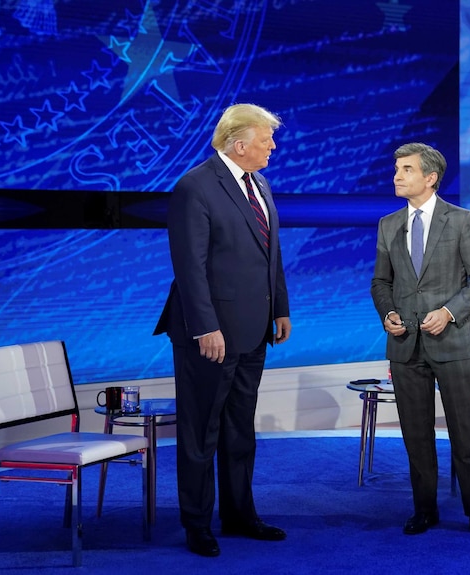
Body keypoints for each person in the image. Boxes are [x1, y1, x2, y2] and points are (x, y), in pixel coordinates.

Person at [154, 103, 291, 557]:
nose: (272, 146)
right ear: (239, 144)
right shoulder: (196, 186)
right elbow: (189, 266)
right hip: (208, 336)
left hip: (254, 330)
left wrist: (282, 309)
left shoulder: (261, 184)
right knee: (200, 432)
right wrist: (204, 327)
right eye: (265, 139)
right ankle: (197, 522)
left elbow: (270, 252)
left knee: (239, 430)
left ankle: (239, 515)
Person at [370, 142, 470, 541]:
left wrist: (448, 311)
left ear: (430, 178)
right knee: (416, 434)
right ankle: (424, 510)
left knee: (466, 433)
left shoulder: (461, 221)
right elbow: (381, 282)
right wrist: (388, 315)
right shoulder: (388, 224)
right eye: (396, 168)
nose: (397, 175)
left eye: (406, 169)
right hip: (405, 346)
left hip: (454, 342)